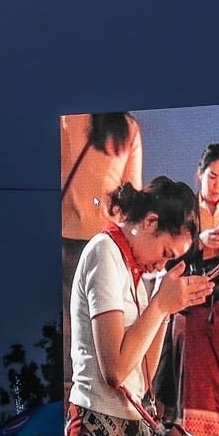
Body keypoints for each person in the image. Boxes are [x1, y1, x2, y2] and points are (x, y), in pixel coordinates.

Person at [65, 177, 210, 436]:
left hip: (130, 424)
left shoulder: (137, 280)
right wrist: (159, 305)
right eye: (166, 252)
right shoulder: (104, 251)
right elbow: (116, 372)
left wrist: (166, 310)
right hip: (96, 422)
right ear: (150, 222)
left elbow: (143, 378)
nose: (161, 265)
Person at [158, 143, 219, 436]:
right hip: (191, 308)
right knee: (193, 387)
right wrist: (200, 241)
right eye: (212, 176)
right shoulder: (188, 213)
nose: (217, 185)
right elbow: (171, 258)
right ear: (199, 175)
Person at [61, 112, 143, 395]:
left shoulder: (69, 117)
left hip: (63, 238)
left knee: (65, 332)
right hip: (103, 245)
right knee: (98, 331)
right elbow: (132, 196)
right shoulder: (128, 129)